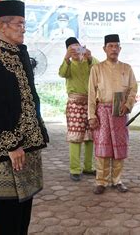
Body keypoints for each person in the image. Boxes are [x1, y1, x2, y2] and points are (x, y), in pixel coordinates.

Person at [0, 0, 49, 235]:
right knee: (7, 210)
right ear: (3, 26)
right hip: (9, 147)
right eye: (19, 23)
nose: (23, 28)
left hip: (27, 144)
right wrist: (12, 145)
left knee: (24, 206)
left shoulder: (21, 55)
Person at [88, 34, 137, 195]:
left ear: (120, 49)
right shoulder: (97, 68)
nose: (114, 49)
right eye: (110, 46)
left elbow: (133, 89)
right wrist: (91, 116)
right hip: (102, 112)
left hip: (120, 112)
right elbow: (91, 93)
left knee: (119, 148)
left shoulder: (127, 68)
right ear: (104, 49)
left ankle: (117, 180)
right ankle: (101, 181)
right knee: (102, 148)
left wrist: (128, 104)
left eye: (116, 46)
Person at [59, 37, 98, 181]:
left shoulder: (90, 61)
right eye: (72, 48)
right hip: (75, 103)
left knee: (90, 137)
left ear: (82, 47)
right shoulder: (67, 64)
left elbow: (99, 70)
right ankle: (74, 169)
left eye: (78, 47)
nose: (76, 50)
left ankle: (88, 167)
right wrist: (67, 58)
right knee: (75, 137)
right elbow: (62, 73)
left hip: (91, 103)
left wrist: (89, 57)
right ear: (68, 50)